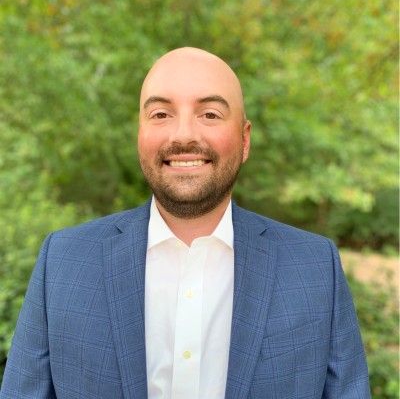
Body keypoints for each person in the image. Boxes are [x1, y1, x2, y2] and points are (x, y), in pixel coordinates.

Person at [0, 47, 370, 398]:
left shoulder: (316, 268)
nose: (184, 135)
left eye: (209, 114)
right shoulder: (62, 261)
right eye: (161, 114)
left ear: (244, 140)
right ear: (140, 134)